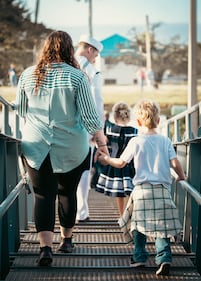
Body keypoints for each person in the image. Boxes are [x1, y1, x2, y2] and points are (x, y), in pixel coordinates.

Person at [15, 30, 109, 266]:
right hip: (72, 147)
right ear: (69, 49)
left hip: (36, 146)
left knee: (43, 195)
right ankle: (66, 240)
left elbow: (22, 110)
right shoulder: (78, 77)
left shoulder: (27, 75)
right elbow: (89, 117)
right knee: (67, 193)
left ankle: (45, 248)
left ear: (45, 48)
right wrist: (102, 143)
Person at [98, 99, 185, 276]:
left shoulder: (136, 141)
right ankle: (164, 258)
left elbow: (121, 163)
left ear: (137, 122)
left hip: (141, 190)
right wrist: (182, 176)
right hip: (162, 189)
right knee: (162, 228)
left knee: (138, 225)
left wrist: (106, 160)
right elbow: (175, 163)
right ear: (159, 121)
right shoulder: (165, 140)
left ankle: (139, 257)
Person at [75, 34, 104, 222]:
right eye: (96, 55)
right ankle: (81, 211)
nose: (95, 58)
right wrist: (98, 130)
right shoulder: (92, 72)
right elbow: (97, 102)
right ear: (90, 50)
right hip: (84, 128)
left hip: (60, 126)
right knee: (84, 169)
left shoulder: (63, 65)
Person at [96, 102, 138, 216]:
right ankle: (132, 214)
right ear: (129, 116)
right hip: (130, 164)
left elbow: (104, 145)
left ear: (114, 116)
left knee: (119, 194)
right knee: (132, 191)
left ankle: (121, 215)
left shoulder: (110, 130)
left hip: (114, 163)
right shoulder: (134, 131)